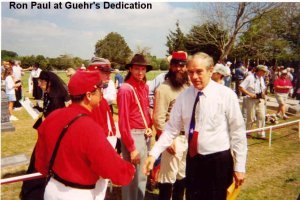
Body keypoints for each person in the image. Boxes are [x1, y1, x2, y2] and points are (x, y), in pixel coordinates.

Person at [143, 52, 247, 200]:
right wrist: (153, 154)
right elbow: (171, 128)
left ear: (211, 70)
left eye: (199, 71)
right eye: (191, 72)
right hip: (194, 160)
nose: (194, 76)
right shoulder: (184, 97)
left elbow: (238, 132)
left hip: (218, 161)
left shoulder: (226, 95)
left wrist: (239, 166)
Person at [35, 70, 135, 199]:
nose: (102, 94)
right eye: (100, 89)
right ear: (89, 95)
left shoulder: (53, 117)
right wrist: (129, 170)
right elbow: (110, 166)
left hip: (52, 189)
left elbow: (41, 163)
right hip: (77, 193)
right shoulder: (90, 127)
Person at [20, 71, 70, 200]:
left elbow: (57, 120)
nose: (39, 83)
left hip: (52, 138)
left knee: (42, 163)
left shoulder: (56, 98)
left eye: (41, 81)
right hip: (46, 134)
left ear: (49, 83)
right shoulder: (48, 95)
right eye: (39, 81)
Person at [153, 51, 190, 200]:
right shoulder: (164, 89)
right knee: (167, 178)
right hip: (172, 138)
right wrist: (166, 140)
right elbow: (158, 118)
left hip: (187, 137)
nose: (179, 68)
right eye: (176, 65)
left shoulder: (188, 86)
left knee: (182, 176)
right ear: (170, 66)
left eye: (182, 65)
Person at [117, 54, 153, 200]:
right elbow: (123, 122)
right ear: (130, 69)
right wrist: (131, 148)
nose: (140, 72)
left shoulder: (144, 87)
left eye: (143, 69)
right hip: (133, 135)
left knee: (142, 174)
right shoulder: (126, 89)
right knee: (132, 177)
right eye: (137, 69)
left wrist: (149, 126)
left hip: (144, 134)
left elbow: (144, 111)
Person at [87, 57, 119, 200]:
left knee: (101, 186)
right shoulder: (89, 98)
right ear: (94, 72)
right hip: (98, 148)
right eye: (105, 72)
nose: (109, 76)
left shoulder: (101, 96)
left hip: (107, 144)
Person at [239, 65, 268, 138]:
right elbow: (241, 87)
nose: (264, 73)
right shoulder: (250, 77)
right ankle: (248, 133)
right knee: (251, 117)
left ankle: (261, 134)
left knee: (262, 116)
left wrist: (264, 94)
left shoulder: (261, 78)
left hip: (260, 99)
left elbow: (263, 88)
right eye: (263, 71)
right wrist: (250, 94)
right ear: (259, 71)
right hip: (251, 100)